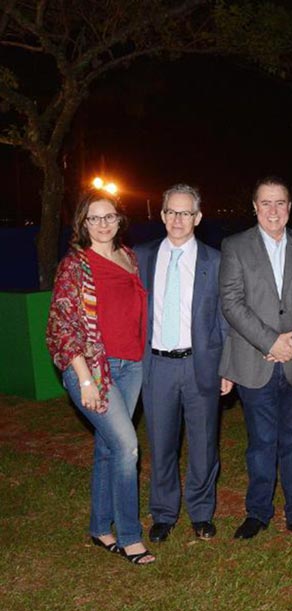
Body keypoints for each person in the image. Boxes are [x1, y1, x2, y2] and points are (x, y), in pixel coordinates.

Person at [219, 176, 292, 540]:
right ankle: (258, 512)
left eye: (280, 202)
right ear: (254, 207)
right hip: (257, 362)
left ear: (290, 207)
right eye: (265, 203)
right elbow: (231, 304)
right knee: (261, 444)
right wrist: (271, 342)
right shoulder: (235, 246)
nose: (273, 210)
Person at [46, 191, 154, 564]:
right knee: (127, 448)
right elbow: (63, 326)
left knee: (108, 449)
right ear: (83, 223)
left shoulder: (130, 258)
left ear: (120, 220)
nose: (104, 224)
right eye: (95, 218)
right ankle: (129, 536)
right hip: (93, 369)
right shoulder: (75, 266)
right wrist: (86, 379)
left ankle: (99, 528)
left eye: (110, 217)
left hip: (132, 366)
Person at [135, 184, 230, 543]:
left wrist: (227, 367)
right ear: (161, 216)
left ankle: (202, 512)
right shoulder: (141, 257)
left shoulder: (215, 260)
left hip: (200, 365)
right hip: (156, 365)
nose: (178, 219)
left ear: (198, 217)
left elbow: (225, 319)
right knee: (161, 443)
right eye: (172, 212)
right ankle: (163, 513)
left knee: (205, 443)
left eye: (186, 212)